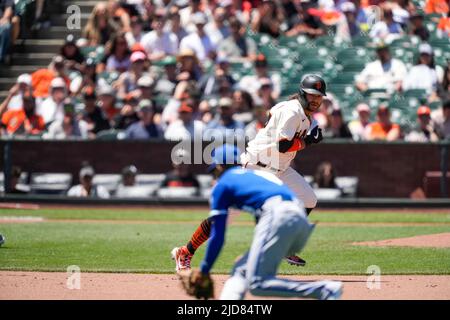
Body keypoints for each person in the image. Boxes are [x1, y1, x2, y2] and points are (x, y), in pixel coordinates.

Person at [173, 74, 328, 271]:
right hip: (258, 167)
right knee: (225, 216)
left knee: (308, 199)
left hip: (279, 168)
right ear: (302, 93)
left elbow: (276, 120)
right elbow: (283, 146)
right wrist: (308, 141)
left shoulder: (301, 113)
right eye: (312, 94)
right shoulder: (292, 111)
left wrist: (309, 135)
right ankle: (185, 252)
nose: (316, 99)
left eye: (319, 96)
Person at [175, 144, 343, 300]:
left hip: (279, 215)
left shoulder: (223, 185)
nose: (214, 175)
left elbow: (218, 236)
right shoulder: (258, 175)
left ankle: (323, 290)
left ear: (219, 167)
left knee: (257, 284)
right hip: (299, 219)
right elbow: (263, 216)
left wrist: (204, 270)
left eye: (214, 171)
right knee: (241, 271)